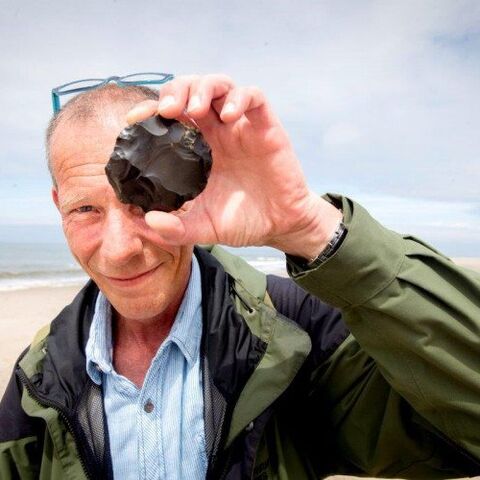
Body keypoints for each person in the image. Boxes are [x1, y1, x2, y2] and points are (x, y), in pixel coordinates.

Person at [1, 73, 479, 480]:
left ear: (188, 190)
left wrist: (307, 226)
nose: (121, 249)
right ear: (56, 204)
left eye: (144, 198)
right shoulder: (40, 378)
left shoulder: (298, 335)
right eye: (85, 209)